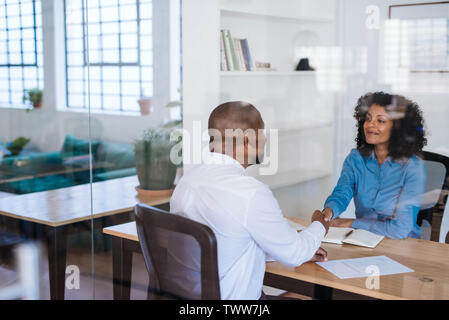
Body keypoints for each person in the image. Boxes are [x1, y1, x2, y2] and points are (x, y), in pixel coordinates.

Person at [169, 101, 330, 300]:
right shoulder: (250, 193)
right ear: (247, 141)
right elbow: (294, 254)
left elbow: (227, 240)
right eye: (262, 133)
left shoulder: (187, 182)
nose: (264, 140)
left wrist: (292, 249)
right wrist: (319, 225)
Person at [320, 92, 427, 239]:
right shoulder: (355, 159)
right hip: (363, 239)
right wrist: (329, 211)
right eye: (368, 119)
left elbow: (400, 229)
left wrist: (353, 223)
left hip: (403, 244)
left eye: (380, 121)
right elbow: (341, 194)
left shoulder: (413, 167)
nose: (370, 124)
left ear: (397, 127)